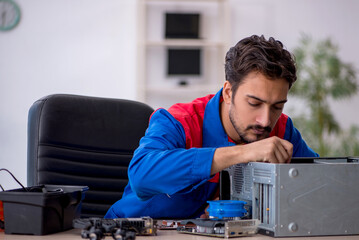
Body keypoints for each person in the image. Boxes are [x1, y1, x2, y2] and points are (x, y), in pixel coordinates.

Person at [105, 35, 319, 219]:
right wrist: (242, 153)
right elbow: (141, 175)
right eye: (254, 103)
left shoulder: (282, 130)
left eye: (277, 106)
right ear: (228, 92)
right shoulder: (177, 121)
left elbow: (322, 183)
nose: (265, 120)